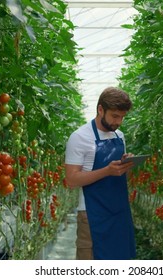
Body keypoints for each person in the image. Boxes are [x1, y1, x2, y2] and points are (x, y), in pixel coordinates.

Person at [65, 87, 136, 260]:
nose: (118, 122)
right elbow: (72, 179)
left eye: (122, 117)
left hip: (119, 212)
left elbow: (121, 176)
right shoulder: (79, 137)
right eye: (114, 116)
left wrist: (126, 164)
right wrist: (107, 171)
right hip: (91, 215)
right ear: (100, 110)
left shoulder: (119, 136)